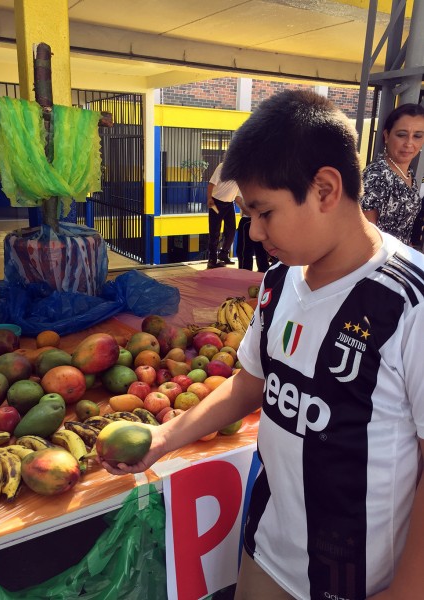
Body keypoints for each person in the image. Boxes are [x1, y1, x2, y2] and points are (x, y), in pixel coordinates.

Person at [100, 90, 424, 600]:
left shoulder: (410, 303)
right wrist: (164, 439)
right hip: (267, 548)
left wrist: (408, 590)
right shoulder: (277, 283)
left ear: (324, 189)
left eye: (264, 212)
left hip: (361, 580)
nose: (252, 230)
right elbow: (250, 383)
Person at [360, 102, 424, 245]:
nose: (409, 143)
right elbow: (366, 239)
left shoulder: (408, 173)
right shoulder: (376, 176)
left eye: (417, 136)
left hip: (401, 258)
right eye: (402, 135)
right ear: (387, 135)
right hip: (380, 263)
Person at [206, 162, 242, 268]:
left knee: (231, 230)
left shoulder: (242, 170)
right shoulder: (222, 167)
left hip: (229, 203)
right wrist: (209, 198)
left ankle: (223, 254)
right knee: (214, 232)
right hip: (216, 202)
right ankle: (212, 260)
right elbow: (211, 184)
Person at [235, 196, 270, 271]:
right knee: (260, 249)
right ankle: (263, 271)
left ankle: (245, 272)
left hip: (249, 219)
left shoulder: (246, 187)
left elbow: (247, 211)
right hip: (259, 219)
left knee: (245, 250)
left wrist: (241, 205)